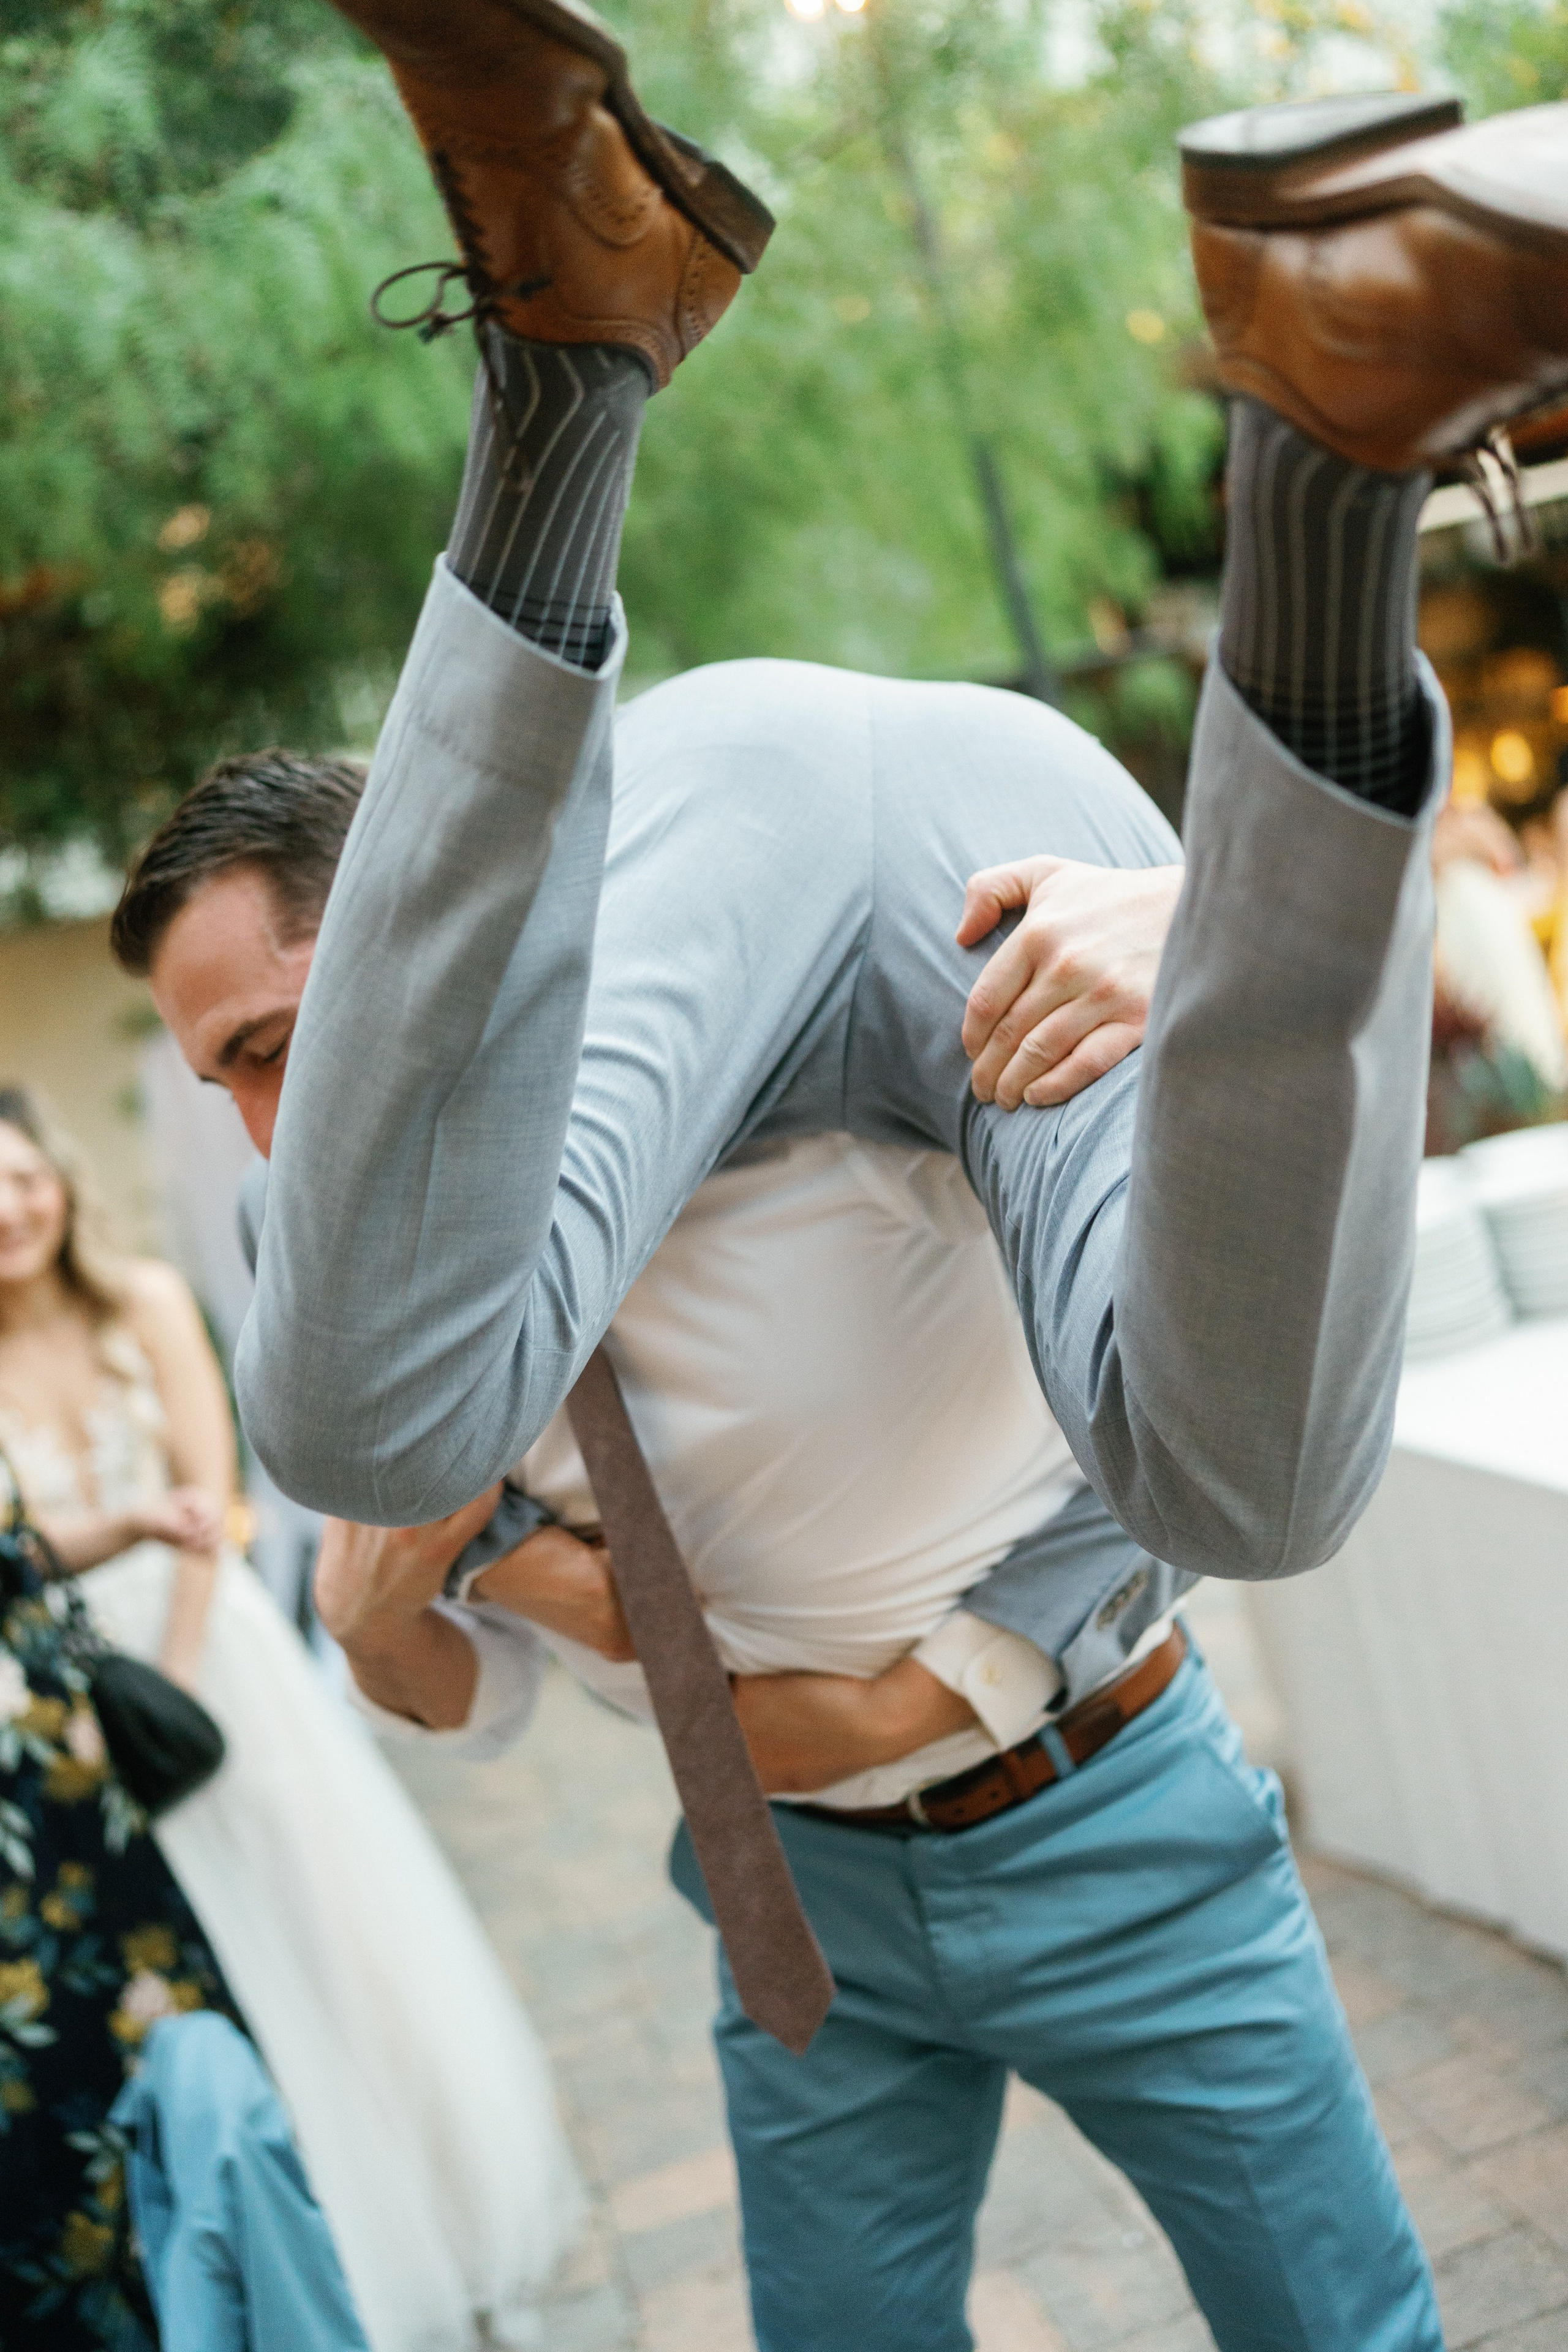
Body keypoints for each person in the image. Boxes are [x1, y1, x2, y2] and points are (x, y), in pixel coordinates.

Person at [107, 10, 1568, 2343]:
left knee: (376, 1416)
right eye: (223, 1084)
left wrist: (1204, 913)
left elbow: (1069, 1488)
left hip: (886, 907)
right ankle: (1337, 419)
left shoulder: (542, 1013)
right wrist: (456, 1600)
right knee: (1252, 1470)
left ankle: (565, 399)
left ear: (421, 925)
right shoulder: (374, 1262)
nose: (271, 1123)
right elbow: (426, 1674)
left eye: (283, 1042)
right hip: (804, 1915)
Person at [0, 1088, 580, 2352]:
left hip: (211, 1674)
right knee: (211, 1961)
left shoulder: (144, 1301)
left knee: (323, 1940)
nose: (9, 1213)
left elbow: (209, 1498)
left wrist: (184, 1678)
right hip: (69, 1699)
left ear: (59, 1177)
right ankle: (303, 2249)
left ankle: (423, 2237)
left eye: (23, 1180)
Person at [0, 1464, 243, 2352]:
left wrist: (132, 1525)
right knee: (40, 2161)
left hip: (77, 1819)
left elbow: (13, 1558)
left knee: (175, 2102)